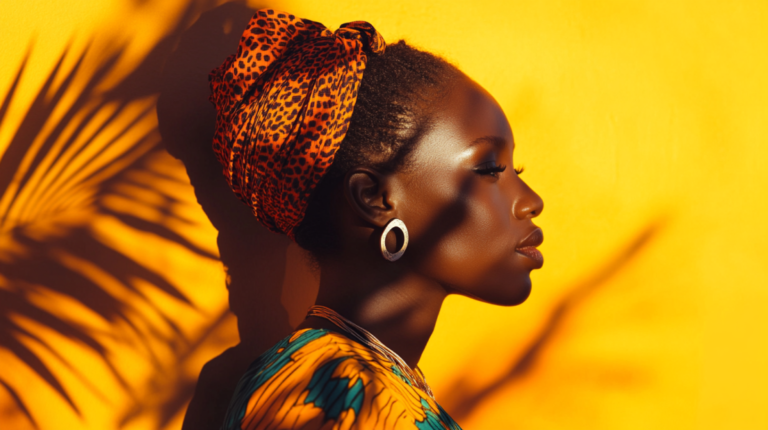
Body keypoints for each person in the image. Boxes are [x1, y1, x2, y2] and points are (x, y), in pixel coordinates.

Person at [209, 8, 544, 430]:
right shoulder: (328, 394)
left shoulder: (362, 381)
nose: (531, 201)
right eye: (490, 170)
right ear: (374, 198)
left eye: (518, 173)